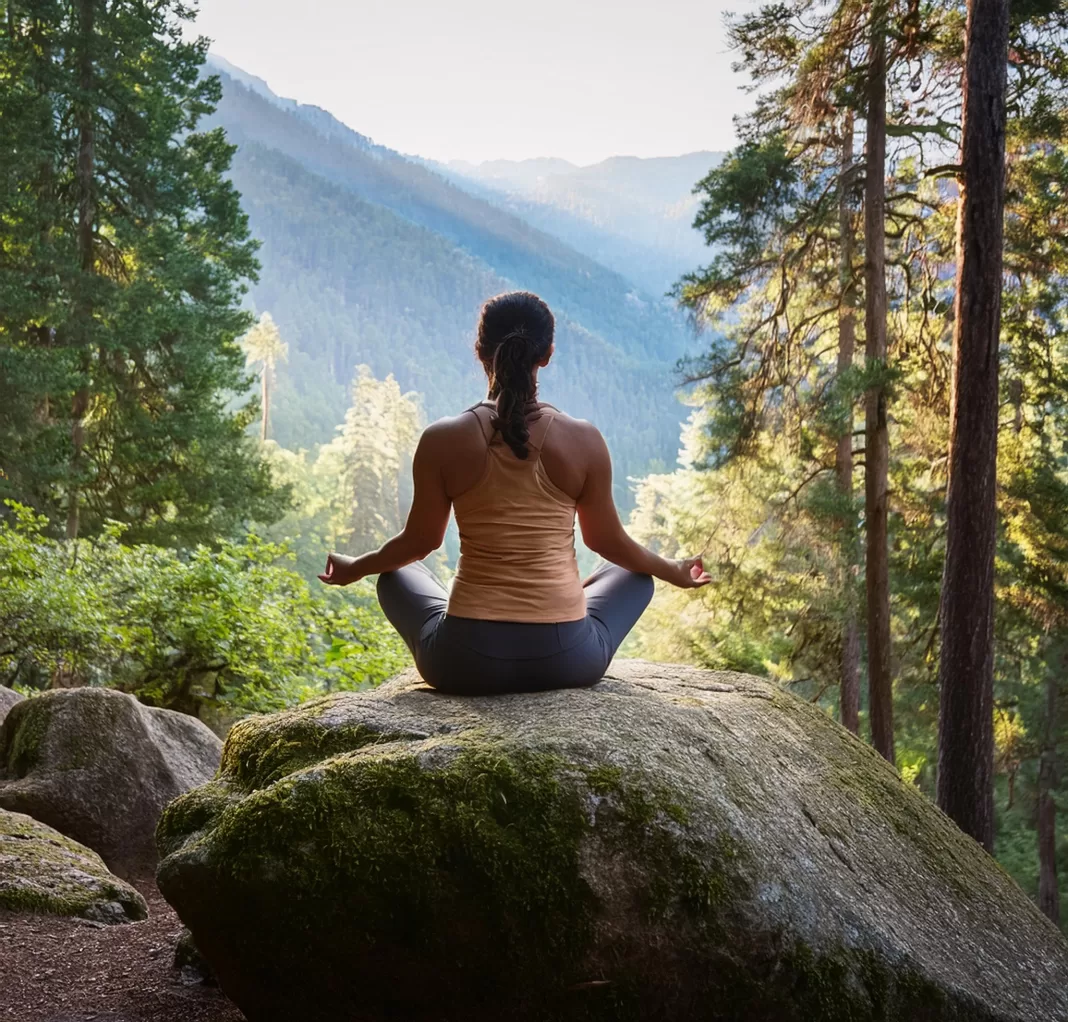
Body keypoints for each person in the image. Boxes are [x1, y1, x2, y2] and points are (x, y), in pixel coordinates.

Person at [319, 290, 710, 695]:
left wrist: (355, 568)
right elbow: (607, 542)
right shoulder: (584, 440)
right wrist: (673, 571)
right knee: (634, 575)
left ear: (480, 351)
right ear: (548, 354)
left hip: (463, 663)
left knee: (395, 573)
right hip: (568, 660)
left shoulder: (442, 439)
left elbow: (419, 543)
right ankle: (565, 605)